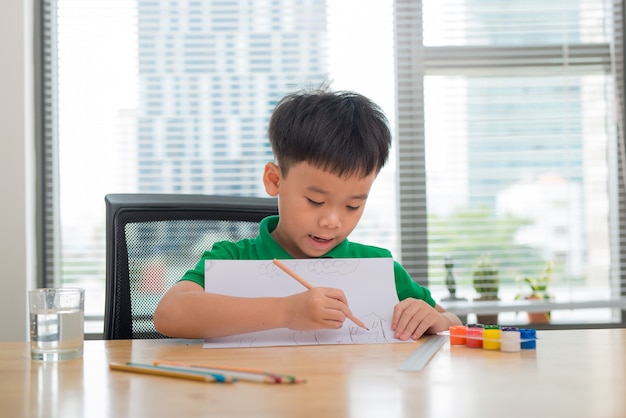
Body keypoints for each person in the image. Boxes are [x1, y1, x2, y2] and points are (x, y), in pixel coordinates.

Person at [153, 87, 461, 340]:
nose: (332, 221)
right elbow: (169, 314)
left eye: (353, 206)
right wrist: (286, 312)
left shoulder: (377, 267)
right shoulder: (233, 258)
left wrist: (436, 319)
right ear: (274, 180)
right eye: (315, 201)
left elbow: (451, 320)